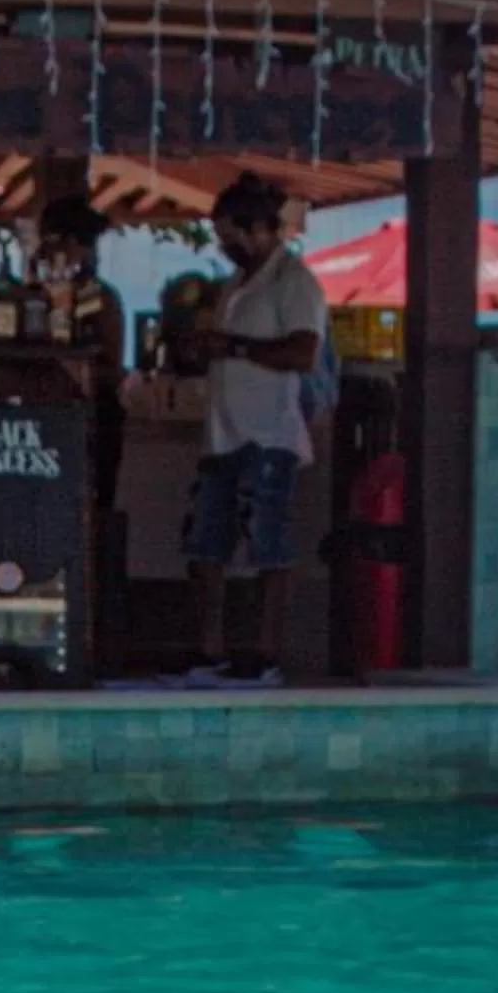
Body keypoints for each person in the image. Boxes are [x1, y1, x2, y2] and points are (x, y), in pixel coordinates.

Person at [183, 171, 330, 678]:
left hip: (270, 434)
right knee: (207, 544)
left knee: (268, 543)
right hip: (223, 432)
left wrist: (235, 347)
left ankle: (266, 651)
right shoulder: (235, 285)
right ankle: (210, 648)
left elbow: (303, 352)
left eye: (232, 237)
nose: (226, 247)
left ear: (263, 230)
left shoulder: (294, 283)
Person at [36, 190, 126, 511]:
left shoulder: (98, 296)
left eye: (50, 239)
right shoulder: (43, 295)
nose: (41, 251)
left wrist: (66, 365)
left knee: (89, 515)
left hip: (90, 416)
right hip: (50, 416)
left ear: (72, 243)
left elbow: (110, 370)